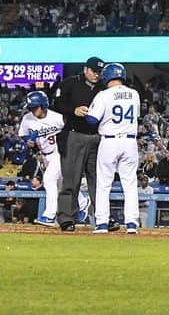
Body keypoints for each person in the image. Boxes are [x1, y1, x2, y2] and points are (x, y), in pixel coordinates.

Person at [83, 63, 140, 234]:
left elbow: (92, 120)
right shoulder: (134, 94)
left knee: (103, 184)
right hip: (130, 142)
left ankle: (101, 223)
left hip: (110, 141)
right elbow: (136, 116)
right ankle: (131, 223)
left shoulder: (103, 95)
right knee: (129, 184)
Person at [54, 56, 105, 232]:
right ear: (85, 69)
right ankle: (66, 218)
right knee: (71, 179)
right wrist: (73, 110)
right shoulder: (70, 83)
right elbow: (57, 103)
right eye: (93, 71)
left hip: (97, 137)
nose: (96, 75)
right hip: (75, 135)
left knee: (98, 181)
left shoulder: (104, 88)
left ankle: (102, 218)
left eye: (99, 72)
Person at [17, 91, 65, 227]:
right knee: (59, 186)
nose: (32, 110)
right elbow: (24, 135)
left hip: (58, 152)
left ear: (44, 105)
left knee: (49, 180)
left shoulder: (57, 118)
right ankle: (79, 204)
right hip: (43, 155)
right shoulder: (27, 119)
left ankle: (49, 216)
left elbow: (69, 131)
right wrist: (30, 143)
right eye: (31, 108)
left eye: (35, 107)